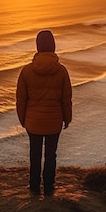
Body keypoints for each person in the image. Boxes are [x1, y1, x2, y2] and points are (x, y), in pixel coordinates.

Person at [16, 30, 72, 195]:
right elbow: (66, 100)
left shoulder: (26, 71)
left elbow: (21, 101)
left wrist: (23, 120)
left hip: (33, 123)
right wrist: (67, 119)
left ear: (38, 46)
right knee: (50, 156)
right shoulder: (62, 71)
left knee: (34, 155)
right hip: (54, 122)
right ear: (53, 45)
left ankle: (34, 187)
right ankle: (49, 187)